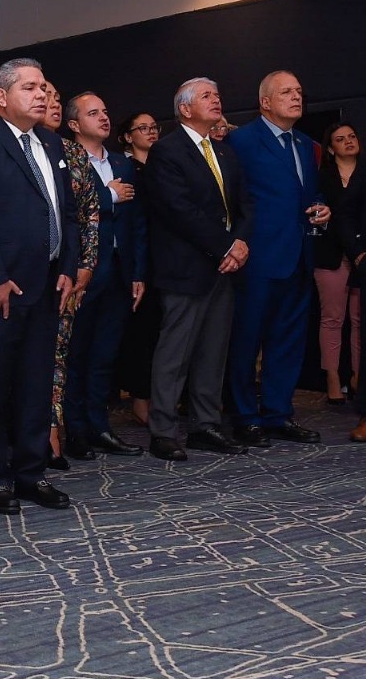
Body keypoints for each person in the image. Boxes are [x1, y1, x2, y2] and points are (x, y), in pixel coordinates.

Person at [0, 58, 78, 515]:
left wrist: (68, 265)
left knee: (35, 384)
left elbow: (65, 211)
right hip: (0, 290)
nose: (41, 95)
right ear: (1, 97)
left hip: (46, 284)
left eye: (43, 87)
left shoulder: (51, 142)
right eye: (30, 88)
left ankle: (31, 472)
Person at [144, 77, 253, 461]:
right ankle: (163, 431)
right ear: (185, 109)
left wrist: (239, 244)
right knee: (175, 353)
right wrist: (226, 246)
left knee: (213, 351)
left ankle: (206, 426)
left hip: (225, 267)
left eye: (218, 95)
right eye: (207, 96)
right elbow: (179, 211)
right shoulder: (167, 151)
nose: (216, 100)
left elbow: (244, 205)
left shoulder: (224, 152)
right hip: (186, 267)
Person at [224, 71, 328, 447]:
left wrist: (321, 207)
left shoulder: (305, 144)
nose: (296, 97)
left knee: (288, 341)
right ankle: (244, 417)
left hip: (299, 256)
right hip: (256, 259)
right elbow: (229, 197)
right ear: (265, 102)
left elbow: (306, 195)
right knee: (246, 340)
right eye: (287, 92)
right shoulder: (240, 140)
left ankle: (278, 413)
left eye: (299, 91)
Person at [61, 93, 147, 459]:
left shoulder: (121, 162)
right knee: (76, 355)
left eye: (105, 111)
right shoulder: (66, 160)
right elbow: (70, 209)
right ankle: (75, 431)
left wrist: (138, 271)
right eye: (93, 113)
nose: (104, 117)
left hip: (120, 271)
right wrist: (108, 196)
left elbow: (137, 221)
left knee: (104, 355)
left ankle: (100, 427)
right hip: (84, 272)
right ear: (74, 124)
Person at [43, 81, 99, 468]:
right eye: (43, 95)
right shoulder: (7, 145)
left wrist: (85, 264)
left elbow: (88, 212)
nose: (51, 103)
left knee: (58, 355)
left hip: (68, 272)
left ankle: (52, 431)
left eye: (57, 98)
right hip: (26, 271)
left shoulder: (72, 151)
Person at [114, 113, 162, 426]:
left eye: (154, 127)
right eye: (142, 128)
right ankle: (140, 399)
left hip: (166, 256)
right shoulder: (124, 167)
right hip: (137, 257)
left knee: (162, 332)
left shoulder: (164, 164)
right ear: (128, 137)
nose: (150, 132)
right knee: (141, 332)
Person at [315, 122, 360, 404]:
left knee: (360, 319)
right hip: (331, 254)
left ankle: (358, 377)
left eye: (352, 137)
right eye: (341, 139)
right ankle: (332, 377)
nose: (349, 142)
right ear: (331, 148)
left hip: (362, 254)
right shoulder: (322, 178)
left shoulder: (364, 172)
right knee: (332, 318)